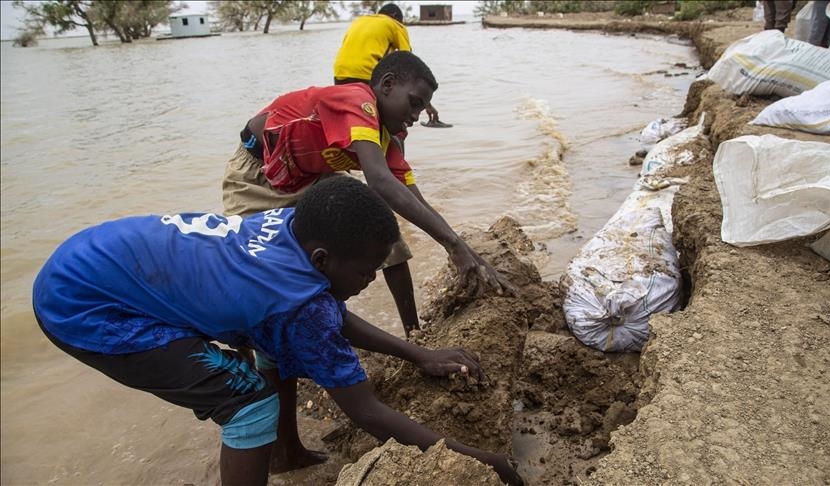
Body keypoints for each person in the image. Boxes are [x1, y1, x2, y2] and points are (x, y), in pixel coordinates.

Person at [32, 176, 524, 486]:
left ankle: (284, 454)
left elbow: (323, 313)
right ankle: (267, 453)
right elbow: (366, 411)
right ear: (322, 259)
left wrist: (417, 354)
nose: (373, 279)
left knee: (271, 343)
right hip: (87, 307)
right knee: (249, 404)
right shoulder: (298, 305)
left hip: (94, 257)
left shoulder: (294, 225)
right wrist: (484, 462)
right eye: (367, 270)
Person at [223, 50, 510, 339]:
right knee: (251, 270)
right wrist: (453, 246)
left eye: (422, 110)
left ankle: (414, 334)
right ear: (387, 84)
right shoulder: (356, 101)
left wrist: (469, 254)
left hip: (314, 177)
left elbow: (416, 200)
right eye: (414, 103)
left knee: (383, 234)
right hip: (257, 176)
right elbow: (379, 181)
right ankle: (245, 354)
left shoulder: (388, 136)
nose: (415, 117)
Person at [333, 3, 441, 124]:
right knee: (386, 119)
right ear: (394, 16)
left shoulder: (358, 22)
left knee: (352, 118)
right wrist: (426, 104)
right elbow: (409, 63)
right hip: (365, 75)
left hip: (339, 74)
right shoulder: (395, 25)